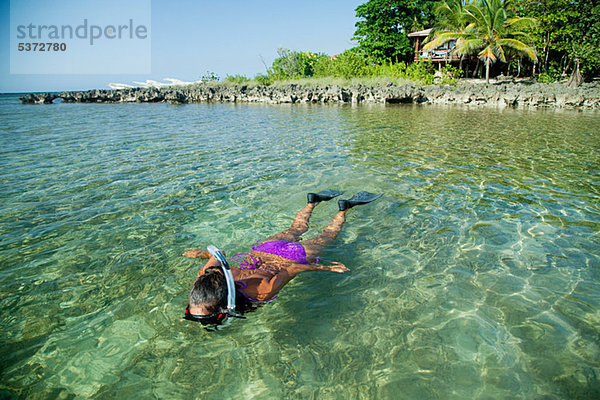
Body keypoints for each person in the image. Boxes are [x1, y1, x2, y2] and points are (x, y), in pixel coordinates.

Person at [183, 190, 382, 326]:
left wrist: (326, 268)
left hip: (290, 257)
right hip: (264, 250)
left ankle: (344, 208)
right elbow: (219, 253)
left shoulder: (262, 292)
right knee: (297, 229)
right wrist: (202, 254)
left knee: (327, 236)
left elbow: (294, 268)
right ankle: (312, 202)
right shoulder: (208, 274)